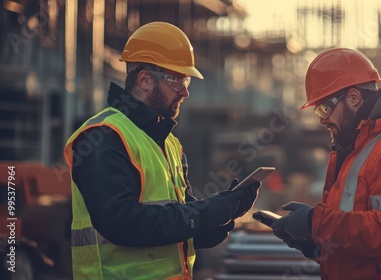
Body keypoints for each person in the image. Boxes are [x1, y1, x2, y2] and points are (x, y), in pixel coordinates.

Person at [64, 22, 260, 280]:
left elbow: (178, 226)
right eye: (177, 79)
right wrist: (203, 213)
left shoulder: (169, 144)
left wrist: (223, 212)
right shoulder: (102, 137)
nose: (185, 91)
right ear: (145, 80)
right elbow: (121, 223)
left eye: (186, 79)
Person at [271, 48, 381, 279]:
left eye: (324, 108)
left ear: (353, 98)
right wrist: (318, 245)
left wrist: (317, 223)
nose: (322, 120)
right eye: (317, 112)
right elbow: (359, 236)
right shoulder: (357, 148)